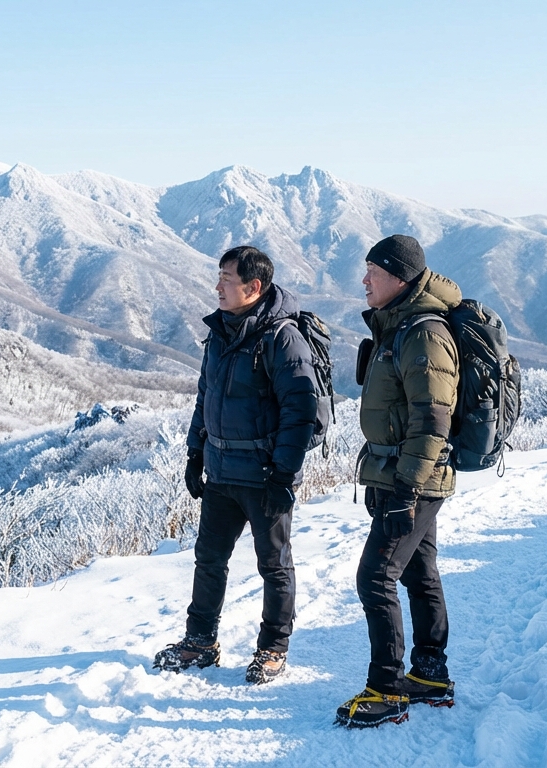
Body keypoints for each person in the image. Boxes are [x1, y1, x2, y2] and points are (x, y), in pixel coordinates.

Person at [152, 245, 319, 685]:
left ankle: (273, 648)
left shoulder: (282, 338)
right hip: (222, 470)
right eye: (220, 276)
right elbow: (205, 396)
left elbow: (300, 411)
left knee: (274, 565)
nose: (218, 286)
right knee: (208, 559)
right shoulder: (220, 332)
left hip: (264, 475)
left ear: (254, 287)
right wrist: (194, 453)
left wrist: (284, 473)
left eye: (226, 278)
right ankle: (201, 641)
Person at [337, 234, 461, 728]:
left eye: (374, 271)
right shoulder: (400, 325)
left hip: (414, 478)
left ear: (402, 278)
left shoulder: (423, 334)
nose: (364, 280)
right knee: (418, 570)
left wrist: (405, 490)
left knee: (376, 576)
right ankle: (430, 675)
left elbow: (433, 419)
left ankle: (387, 688)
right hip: (404, 473)